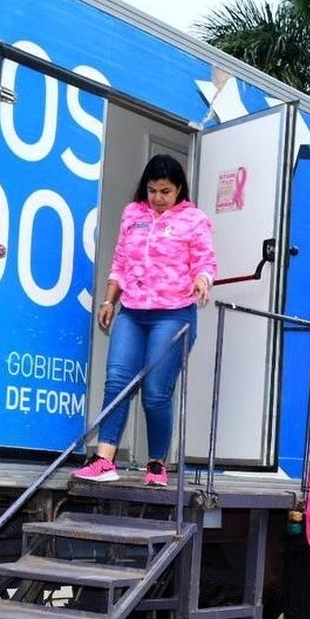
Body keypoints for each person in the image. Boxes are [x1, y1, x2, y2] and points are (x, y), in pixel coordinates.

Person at [74, 155, 216, 487]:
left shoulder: (194, 220)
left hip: (173, 313)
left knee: (155, 393)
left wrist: (202, 280)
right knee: (117, 381)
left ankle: (156, 464)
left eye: (165, 191)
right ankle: (104, 460)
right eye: (152, 190)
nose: (158, 198)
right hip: (133, 312)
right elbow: (120, 260)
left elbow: (206, 261)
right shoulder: (133, 214)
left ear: (179, 188)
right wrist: (110, 300)